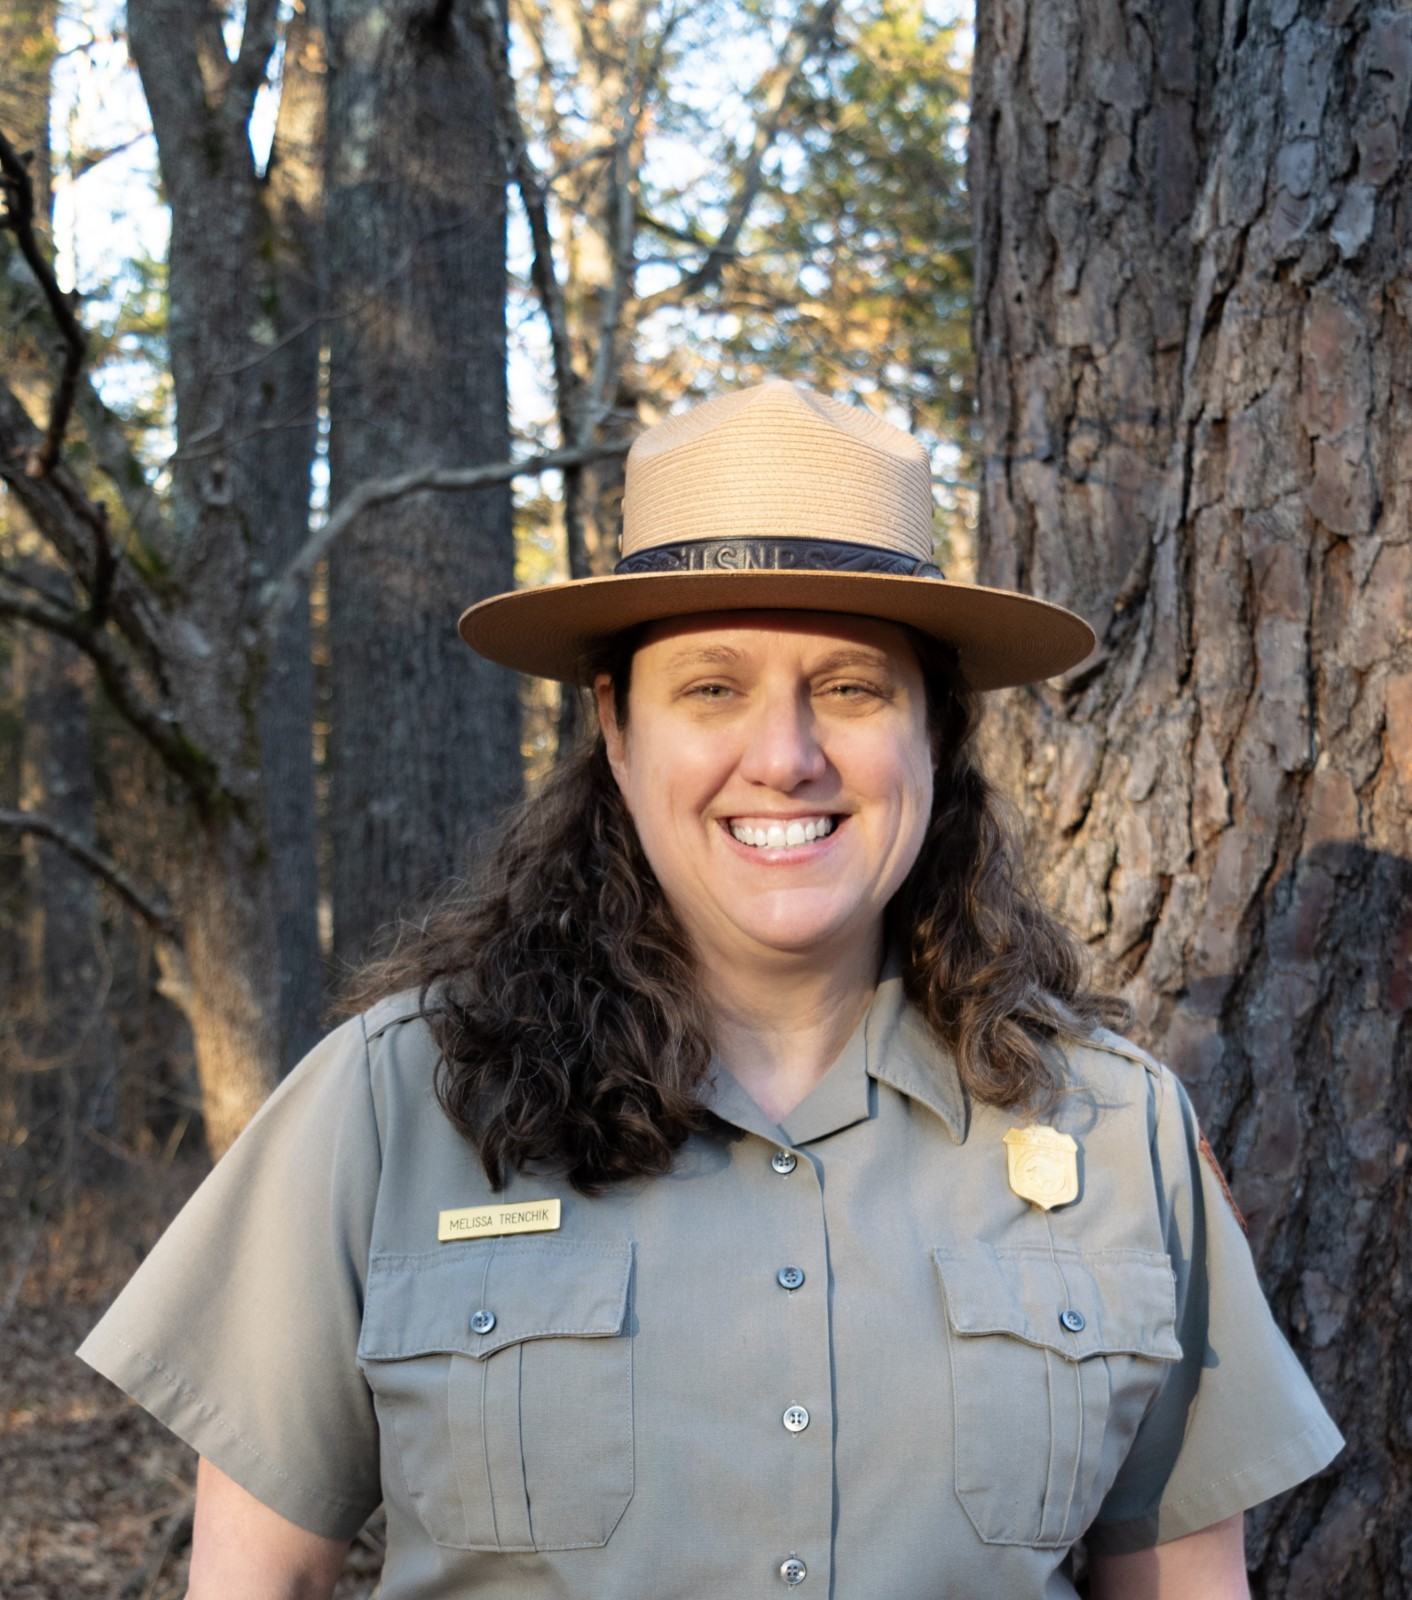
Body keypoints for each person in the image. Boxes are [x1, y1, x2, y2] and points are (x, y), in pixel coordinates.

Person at [79, 380, 1342, 1599]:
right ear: (616, 730)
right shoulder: (393, 1103)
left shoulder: (1112, 1132)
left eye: (848, 688)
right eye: (711, 689)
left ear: (935, 737)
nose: (785, 757)